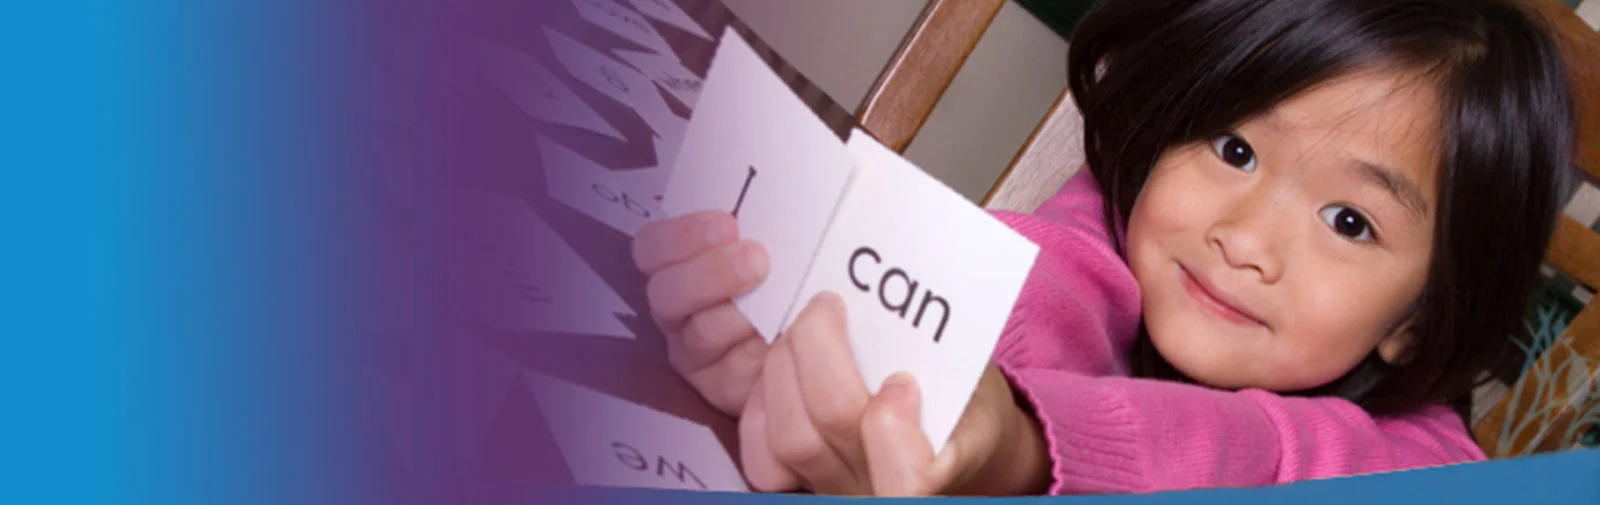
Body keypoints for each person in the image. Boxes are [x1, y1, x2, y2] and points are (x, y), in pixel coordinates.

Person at [631, 0, 1579, 496]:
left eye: (1350, 221)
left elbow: (1258, 457)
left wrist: (1027, 451)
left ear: (1415, 323)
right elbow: (1045, 284)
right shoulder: (1135, 219)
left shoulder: (1428, 469)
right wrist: (852, 336)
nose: (1244, 238)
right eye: (1236, 148)